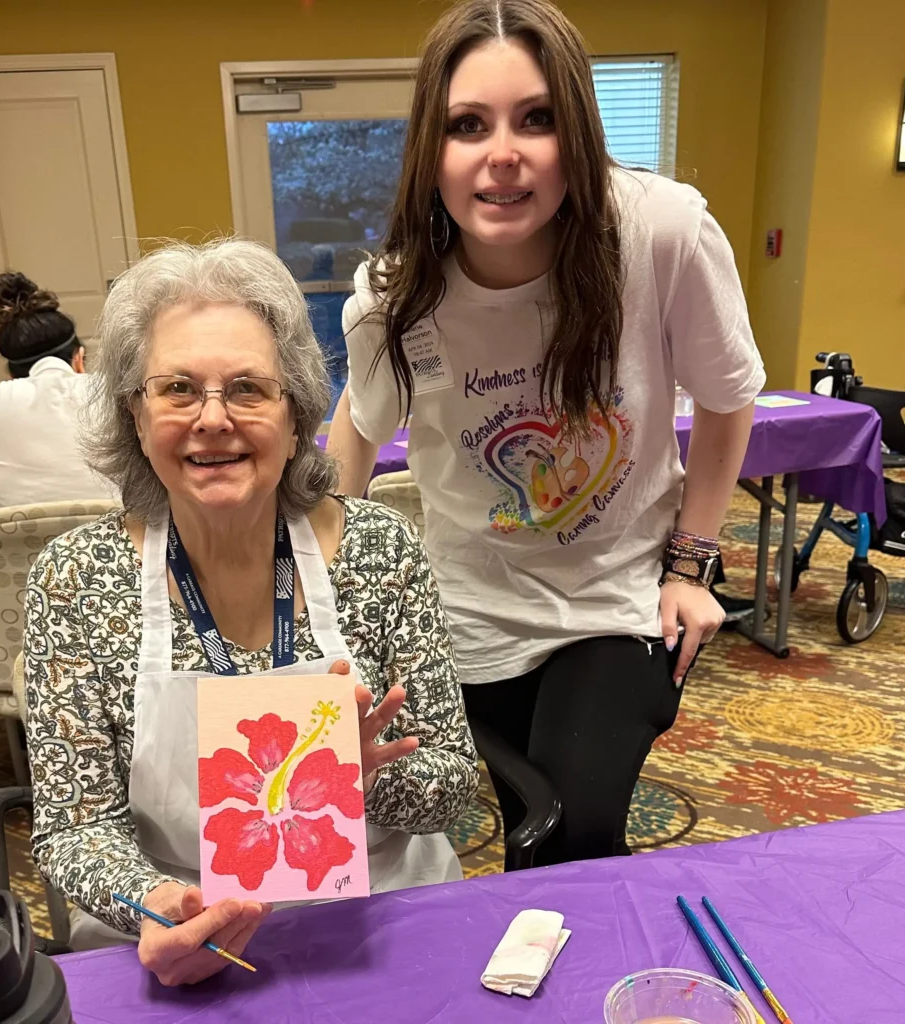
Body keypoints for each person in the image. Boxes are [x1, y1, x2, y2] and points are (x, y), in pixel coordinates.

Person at [328, 0, 765, 866]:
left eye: (536, 119)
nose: (502, 155)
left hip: (615, 598)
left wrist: (691, 564)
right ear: (431, 149)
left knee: (570, 829)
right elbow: (356, 426)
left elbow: (728, 396)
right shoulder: (395, 294)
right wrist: (327, 591)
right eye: (466, 125)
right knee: (525, 819)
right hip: (466, 609)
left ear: (578, 130)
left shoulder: (661, 233)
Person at [23, 238, 478, 986]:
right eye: (176, 389)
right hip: (177, 929)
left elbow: (453, 783)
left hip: (377, 915)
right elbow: (77, 828)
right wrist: (162, 904)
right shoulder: (75, 579)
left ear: (295, 415)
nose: (211, 419)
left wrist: (360, 781)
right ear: (135, 416)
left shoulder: (377, 548)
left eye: (246, 389)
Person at [0, 272, 115, 508]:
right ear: (79, 359)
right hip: (120, 540)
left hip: (22, 543)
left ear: (12, 375)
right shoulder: (112, 392)